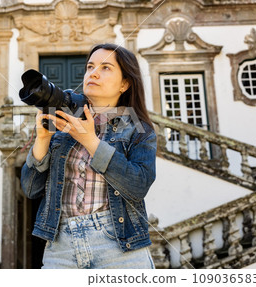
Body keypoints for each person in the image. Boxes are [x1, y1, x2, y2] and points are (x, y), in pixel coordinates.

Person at [20, 43, 157, 269]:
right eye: (90, 66)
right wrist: (42, 139)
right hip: (60, 247)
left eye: (105, 68)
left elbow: (138, 186)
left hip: (119, 247)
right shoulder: (64, 125)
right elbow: (31, 189)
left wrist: (90, 141)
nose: (93, 73)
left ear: (125, 83)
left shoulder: (137, 130)